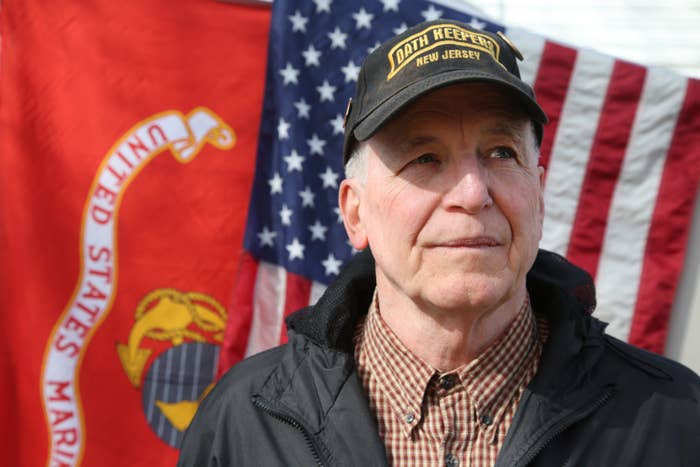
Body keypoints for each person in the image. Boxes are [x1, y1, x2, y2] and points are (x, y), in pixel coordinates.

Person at [178, 19, 700, 466]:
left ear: (538, 195)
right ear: (354, 212)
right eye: (425, 158)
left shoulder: (676, 421)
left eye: (500, 152)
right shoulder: (243, 422)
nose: (473, 194)